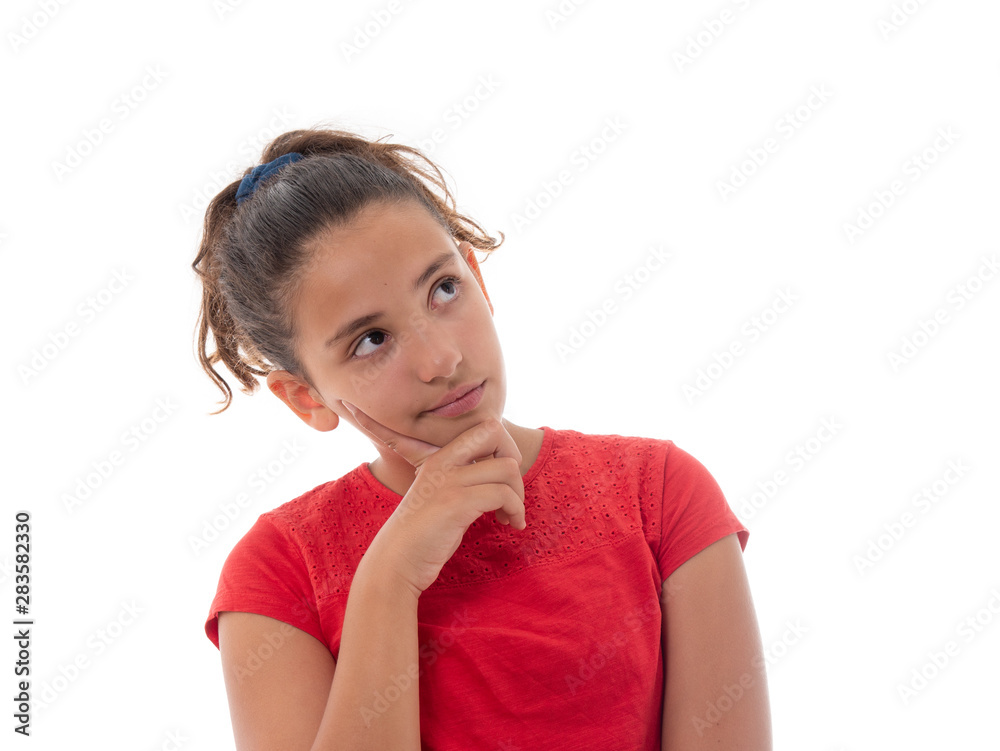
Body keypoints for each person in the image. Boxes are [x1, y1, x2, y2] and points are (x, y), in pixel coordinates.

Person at [192, 125, 772, 750]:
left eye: (443, 289)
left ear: (479, 278)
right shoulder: (280, 571)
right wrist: (389, 579)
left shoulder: (656, 495)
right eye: (372, 340)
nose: (441, 359)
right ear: (304, 395)